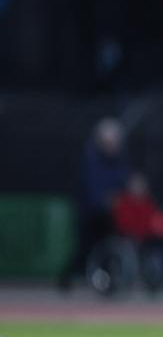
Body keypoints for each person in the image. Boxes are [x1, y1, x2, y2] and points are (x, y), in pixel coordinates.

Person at [58, 117, 130, 290]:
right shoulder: (91, 160)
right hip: (91, 214)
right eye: (110, 141)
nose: (114, 144)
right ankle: (66, 278)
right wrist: (106, 200)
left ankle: (109, 280)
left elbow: (124, 184)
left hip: (111, 215)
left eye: (116, 140)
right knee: (85, 248)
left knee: (111, 245)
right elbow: (92, 191)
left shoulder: (121, 161)